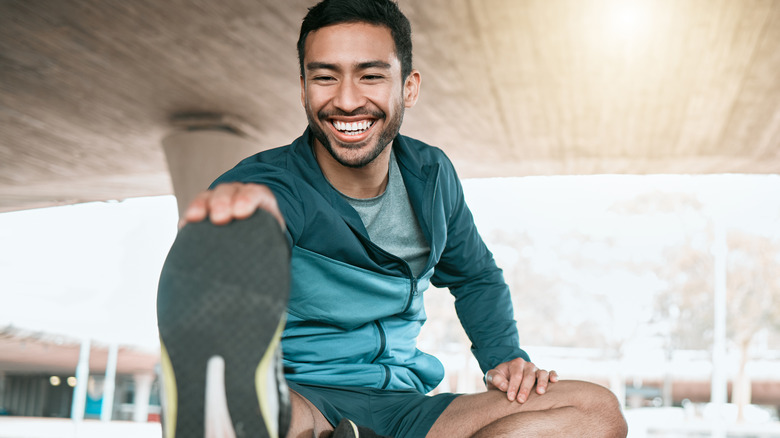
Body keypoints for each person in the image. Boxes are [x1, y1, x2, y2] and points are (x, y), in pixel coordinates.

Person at [156, 0, 629, 437]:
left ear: (409, 86)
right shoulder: (269, 185)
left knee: (596, 413)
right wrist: (233, 241)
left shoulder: (432, 175)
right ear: (303, 88)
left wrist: (503, 355)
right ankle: (241, 406)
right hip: (306, 398)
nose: (345, 100)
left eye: (369, 76)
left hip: (406, 408)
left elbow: (477, 276)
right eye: (325, 77)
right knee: (277, 421)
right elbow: (245, 241)